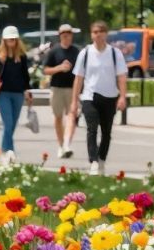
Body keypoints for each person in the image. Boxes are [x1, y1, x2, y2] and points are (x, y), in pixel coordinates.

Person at [68, 17, 127, 175]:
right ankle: (93, 160)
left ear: (106, 34)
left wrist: (122, 97)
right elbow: (78, 79)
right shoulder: (85, 53)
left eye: (101, 32)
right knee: (91, 129)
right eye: (95, 32)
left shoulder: (115, 53)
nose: (98, 35)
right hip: (90, 96)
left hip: (109, 96)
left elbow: (121, 76)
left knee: (106, 132)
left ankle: (101, 159)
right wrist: (74, 101)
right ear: (91, 35)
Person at [0, 26, 34, 155]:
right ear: (4, 40)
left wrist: (28, 92)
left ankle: (4, 149)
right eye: (9, 39)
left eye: (13, 39)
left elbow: (25, 76)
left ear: (17, 40)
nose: (11, 42)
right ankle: (10, 151)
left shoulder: (22, 56)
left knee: (13, 124)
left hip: (18, 93)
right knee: (8, 123)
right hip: (4, 94)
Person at [43, 22, 77, 152]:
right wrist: (59, 68)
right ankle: (61, 144)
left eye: (68, 33)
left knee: (71, 116)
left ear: (71, 35)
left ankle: (67, 143)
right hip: (57, 88)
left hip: (72, 88)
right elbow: (45, 70)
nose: (66, 36)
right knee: (58, 117)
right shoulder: (54, 51)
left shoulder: (76, 51)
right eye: (64, 33)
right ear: (60, 35)